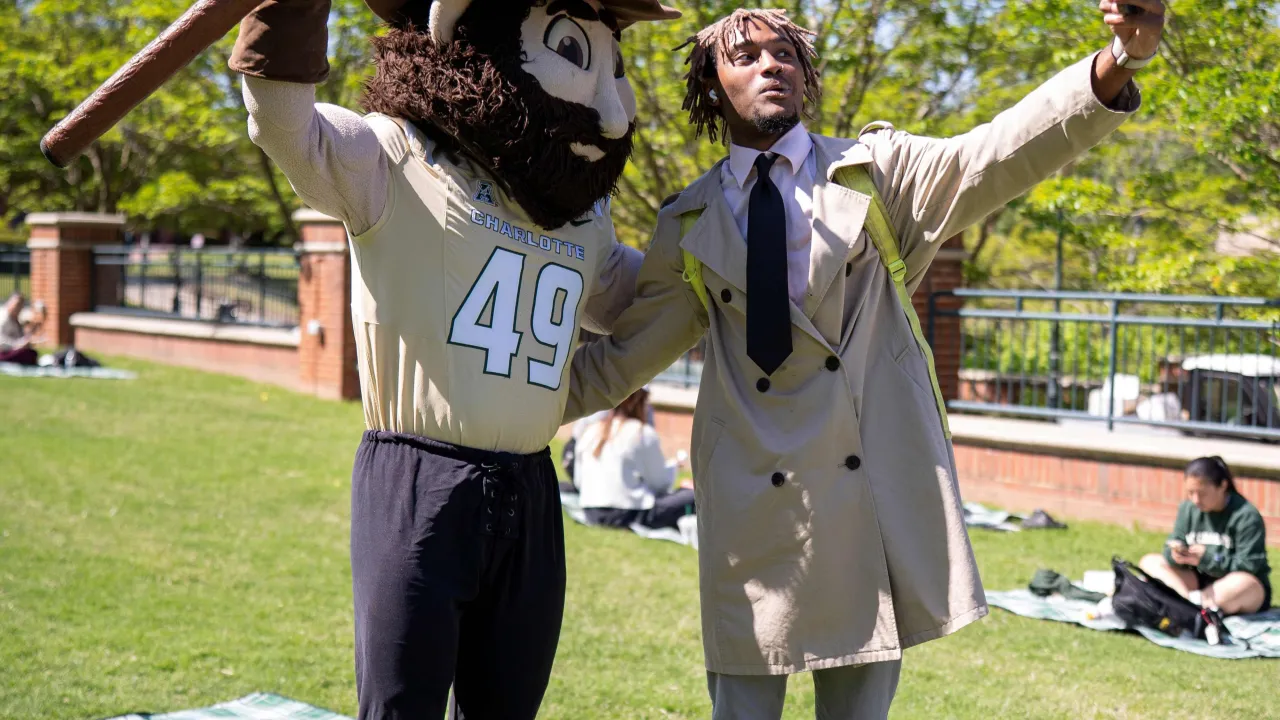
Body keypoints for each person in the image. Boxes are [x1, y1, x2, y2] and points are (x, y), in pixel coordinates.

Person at [563, 3, 1163, 717]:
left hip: (860, 504)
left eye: (784, 53)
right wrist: (502, 413)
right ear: (710, 84)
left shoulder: (877, 173)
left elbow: (997, 152)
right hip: (751, 518)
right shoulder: (688, 221)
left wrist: (1117, 63)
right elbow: (625, 356)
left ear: (807, 73)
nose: (770, 65)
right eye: (745, 56)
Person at [227, 0, 680, 717]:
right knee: (403, 701)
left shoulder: (577, 216)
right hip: (420, 478)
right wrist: (286, 14)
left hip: (532, 489)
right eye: (572, 50)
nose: (614, 113)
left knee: (509, 704)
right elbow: (289, 128)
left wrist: (722, 244)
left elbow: (635, 301)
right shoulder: (397, 155)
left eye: (612, 67)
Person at [1140, 456, 1271, 616]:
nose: (1195, 500)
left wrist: (1209, 559)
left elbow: (1249, 565)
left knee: (1243, 583)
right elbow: (1171, 547)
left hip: (1235, 587)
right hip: (1197, 582)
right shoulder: (1187, 509)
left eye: (1202, 493)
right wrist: (1177, 554)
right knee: (1150, 562)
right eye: (1190, 493)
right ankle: (1188, 603)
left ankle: (1186, 605)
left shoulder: (1246, 515)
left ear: (1223, 486)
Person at [576, 386, 694, 530]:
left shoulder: (591, 430)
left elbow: (579, 480)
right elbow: (660, 484)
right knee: (693, 495)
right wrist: (675, 470)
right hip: (629, 513)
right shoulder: (641, 433)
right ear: (638, 402)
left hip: (591, 511)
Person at [0, 292, 37, 366]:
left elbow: (19, 336)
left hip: (13, 349)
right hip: (5, 351)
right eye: (17, 305)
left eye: (20, 305)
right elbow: (2, 341)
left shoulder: (16, 319)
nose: (18, 308)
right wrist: (18, 344)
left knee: (32, 353)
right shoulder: (3, 318)